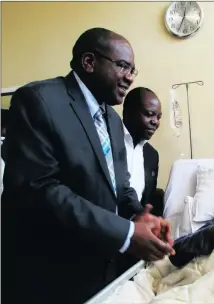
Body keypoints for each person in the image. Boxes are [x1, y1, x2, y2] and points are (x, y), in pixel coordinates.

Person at [1, 28, 174, 304]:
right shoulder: (39, 100)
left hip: (100, 263)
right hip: (49, 268)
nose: (130, 77)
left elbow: (121, 185)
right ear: (89, 62)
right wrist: (127, 233)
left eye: (133, 70)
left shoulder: (114, 121)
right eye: (122, 66)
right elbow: (39, 189)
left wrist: (139, 217)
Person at [123, 87, 164, 217]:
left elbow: (148, 199)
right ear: (128, 112)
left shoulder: (152, 155)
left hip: (136, 228)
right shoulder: (109, 141)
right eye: (149, 114)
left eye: (158, 117)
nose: (155, 122)